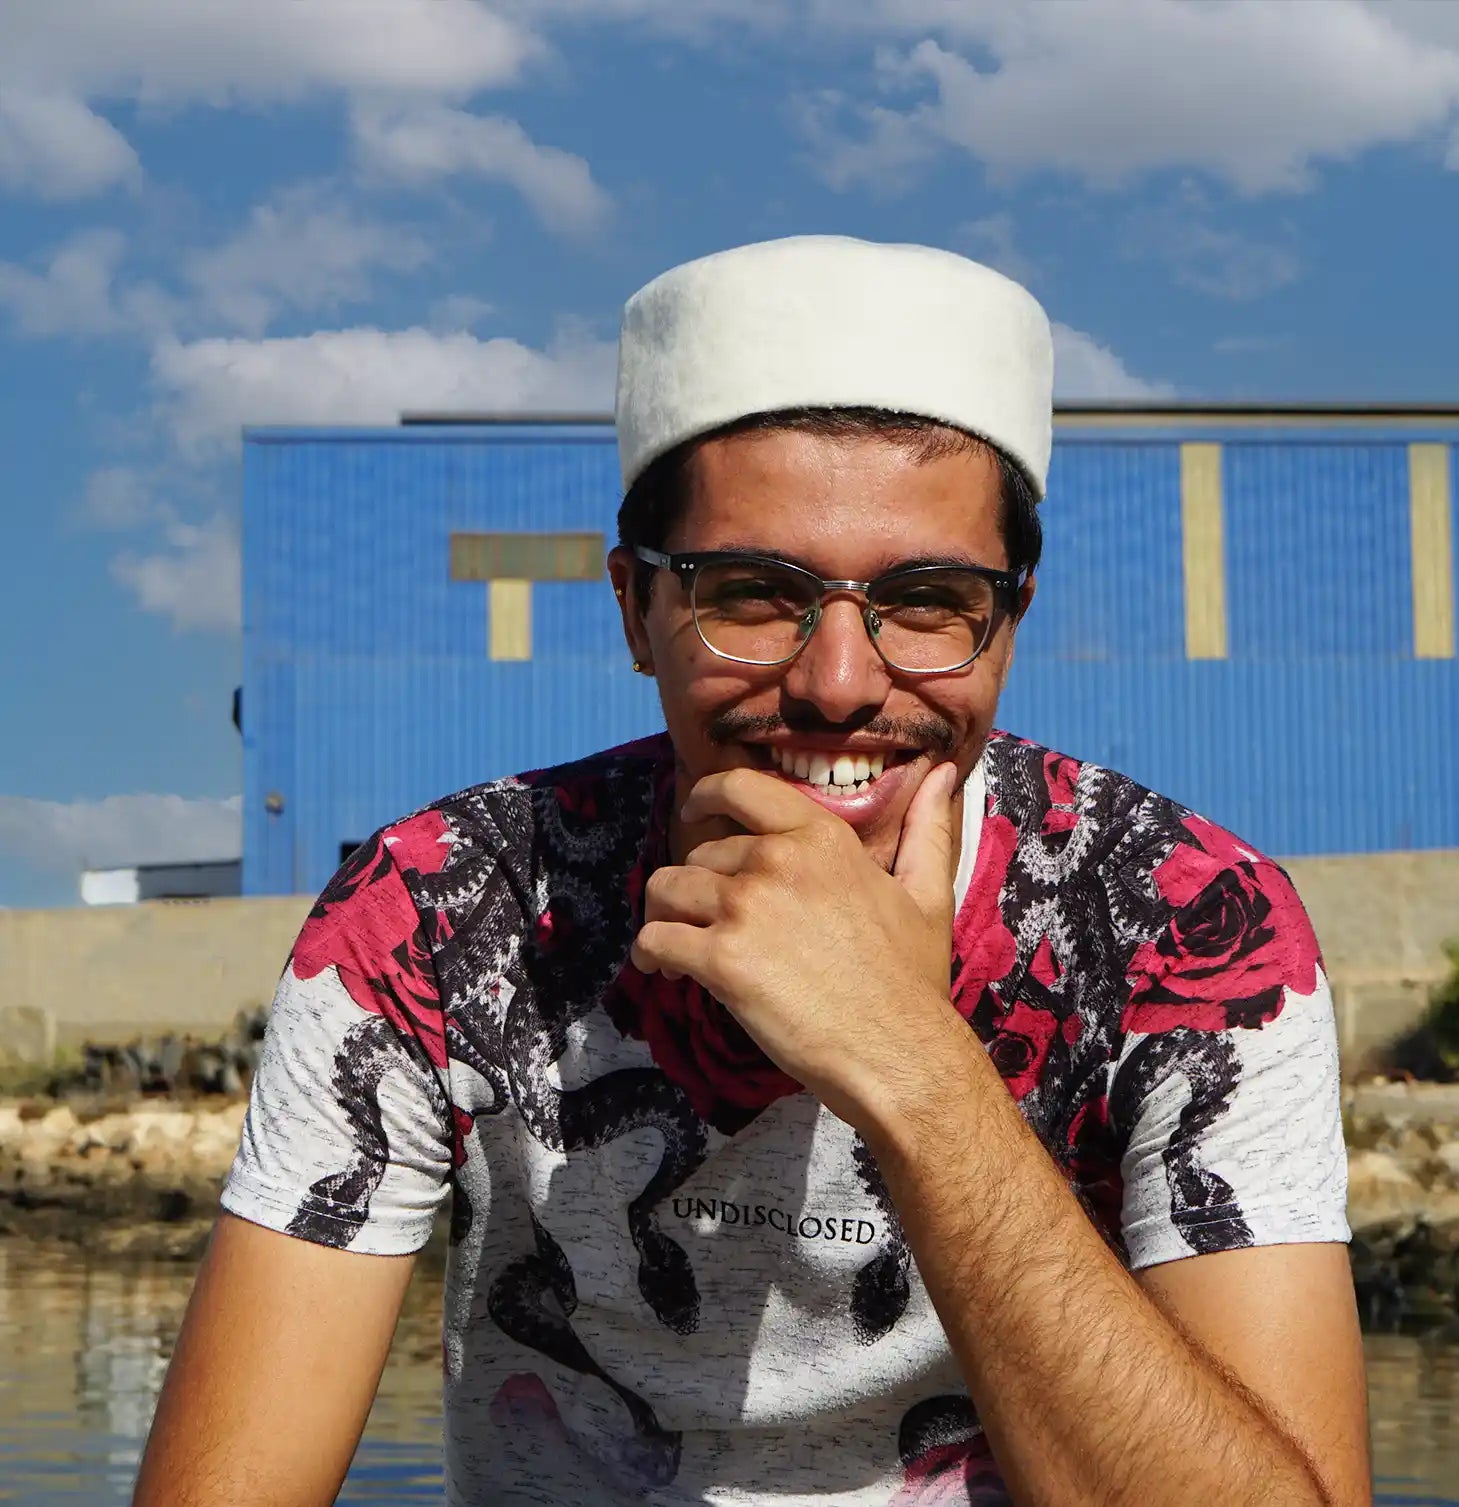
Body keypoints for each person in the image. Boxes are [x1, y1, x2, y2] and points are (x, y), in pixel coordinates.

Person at [134, 236, 1370, 1506]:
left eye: (930, 599)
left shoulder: (1186, 926)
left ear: (1008, 623)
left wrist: (914, 1065)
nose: (838, 683)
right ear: (635, 608)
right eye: (753, 594)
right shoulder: (440, 916)